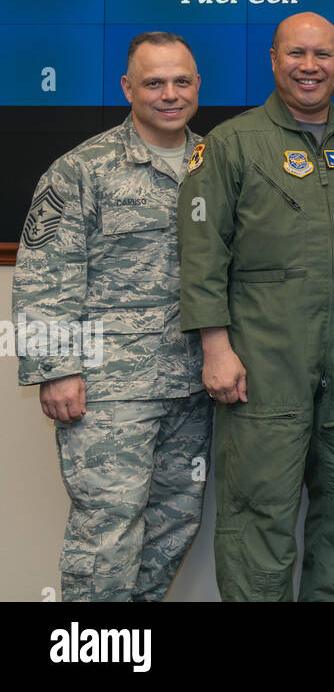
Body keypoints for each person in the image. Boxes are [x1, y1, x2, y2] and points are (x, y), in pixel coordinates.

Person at [178, 12, 334, 602]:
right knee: (261, 508)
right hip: (262, 359)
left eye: (323, 55)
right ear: (273, 60)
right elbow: (203, 255)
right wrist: (215, 348)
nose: (310, 67)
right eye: (296, 54)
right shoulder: (230, 144)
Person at [14, 32, 208, 601]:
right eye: (153, 83)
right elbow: (44, 274)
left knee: (173, 527)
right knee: (107, 533)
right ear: (128, 87)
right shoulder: (81, 169)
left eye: (181, 81)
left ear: (198, 85)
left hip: (193, 384)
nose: (169, 94)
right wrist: (56, 369)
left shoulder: (217, 161)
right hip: (108, 390)